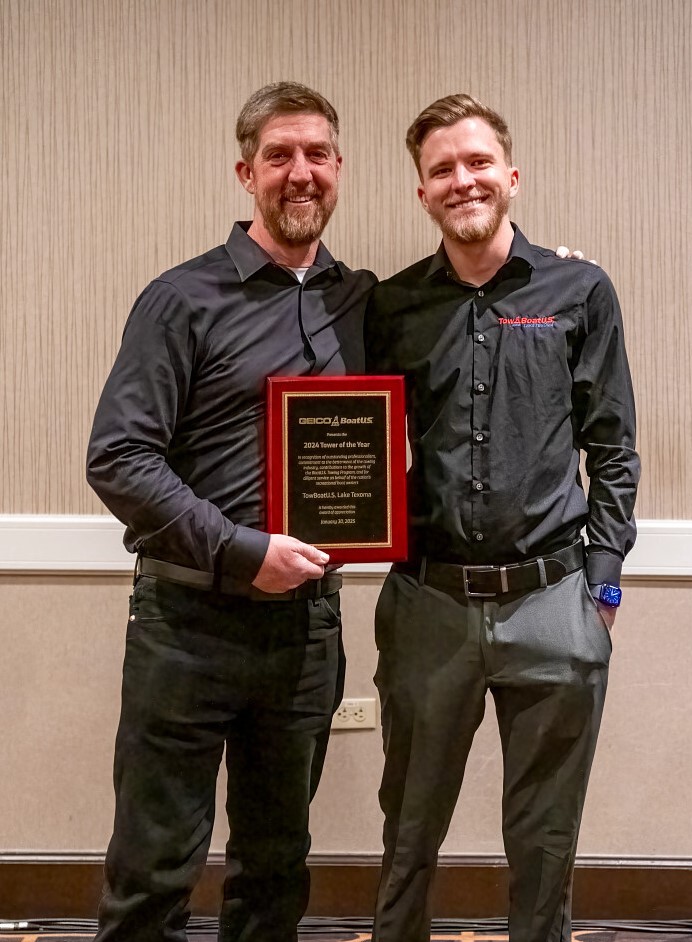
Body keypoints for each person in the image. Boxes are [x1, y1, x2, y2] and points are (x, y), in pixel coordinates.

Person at [86, 82, 375, 942]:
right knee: (153, 869)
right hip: (186, 624)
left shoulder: (361, 302)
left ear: (338, 170)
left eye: (316, 154)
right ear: (245, 172)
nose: (300, 173)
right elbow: (118, 458)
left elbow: (455, 329)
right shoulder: (180, 299)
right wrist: (242, 549)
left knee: (276, 868)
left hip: (307, 631)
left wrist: (541, 282)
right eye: (278, 156)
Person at [364, 94, 640, 942]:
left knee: (544, 839)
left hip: (551, 601)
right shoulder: (392, 306)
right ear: (421, 193)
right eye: (441, 169)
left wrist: (601, 584)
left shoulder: (577, 289)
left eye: (476, 163)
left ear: (510, 176)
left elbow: (614, 448)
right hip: (428, 604)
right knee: (408, 832)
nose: (462, 180)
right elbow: (347, 440)